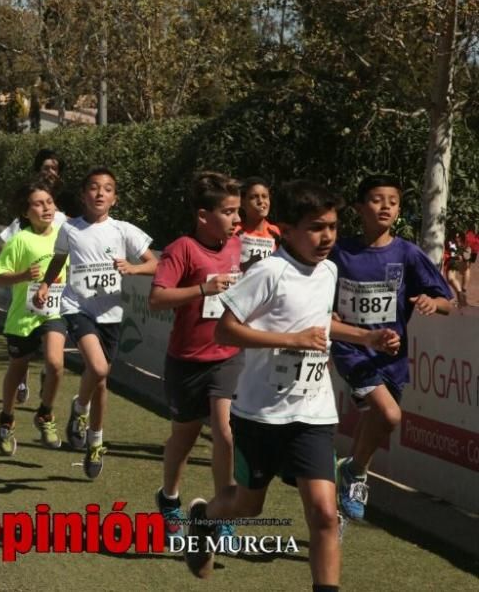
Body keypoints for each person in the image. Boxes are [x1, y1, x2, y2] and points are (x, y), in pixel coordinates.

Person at [184, 180, 401, 588]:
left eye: (333, 227)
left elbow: (320, 322)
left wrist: (365, 337)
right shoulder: (269, 272)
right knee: (248, 506)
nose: (327, 237)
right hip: (260, 414)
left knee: (322, 513)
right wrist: (291, 340)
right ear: (286, 229)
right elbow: (226, 332)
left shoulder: (330, 270)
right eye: (317, 227)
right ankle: (204, 519)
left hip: (313, 413)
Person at [330, 175, 452, 523]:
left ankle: (348, 480)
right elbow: (319, 292)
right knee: (389, 415)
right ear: (358, 208)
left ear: (399, 210)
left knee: (376, 420)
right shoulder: (341, 252)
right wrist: (329, 310)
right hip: (352, 349)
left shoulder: (408, 253)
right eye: (376, 199)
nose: (385, 206)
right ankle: (356, 473)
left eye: (393, 201)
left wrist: (432, 301)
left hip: (393, 356)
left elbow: (446, 301)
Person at [35, 167, 158, 478]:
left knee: (100, 379)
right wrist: (47, 285)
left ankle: (94, 439)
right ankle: (79, 411)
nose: (100, 193)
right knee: (100, 369)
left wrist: (132, 267)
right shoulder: (70, 229)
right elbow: (59, 260)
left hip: (111, 315)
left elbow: (155, 263)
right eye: (93, 187)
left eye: (107, 189)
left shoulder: (123, 230)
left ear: (114, 199)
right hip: (78, 308)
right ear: (83, 195)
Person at [149, 172, 243, 542]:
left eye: (238, 212)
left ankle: (223, 511)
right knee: (184, 438)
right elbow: (157, 298)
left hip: (227, 356)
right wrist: (203, 288)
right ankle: (169, 498)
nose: (237, 219)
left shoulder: (235, 247)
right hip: (187, 360)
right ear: (204, 215)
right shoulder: (182, 249)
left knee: (225, 432)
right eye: (229, 212)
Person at [0, 181, 68, 454]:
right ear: (26, 212)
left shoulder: (64, 236)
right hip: (22, 318)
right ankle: (7, 419)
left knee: (55, 363)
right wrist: (24, 276)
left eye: (49, 202)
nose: (45, 208)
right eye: (38, 203)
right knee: (18, 367)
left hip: (54, 313)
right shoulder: (20, 240)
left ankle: (45, 414)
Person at [0, 149, 70, 243]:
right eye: (46, 168)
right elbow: (6, 240)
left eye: (54, 168)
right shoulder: (29, 193)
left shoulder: (68, 198)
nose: (50, 172)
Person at [236, 177, 281, 270]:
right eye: (253, 197)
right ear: (243, 203)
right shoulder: (234, 231)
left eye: (265, 196)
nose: (261, 201)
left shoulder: (276, 232)